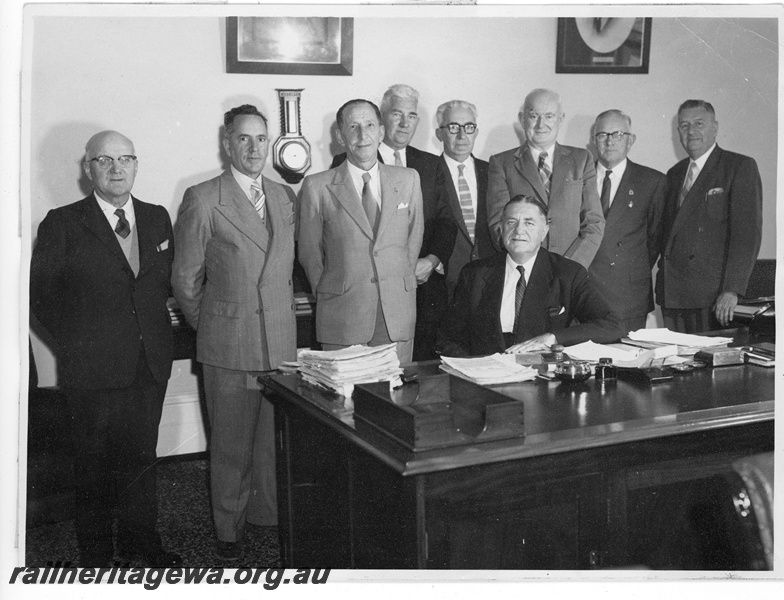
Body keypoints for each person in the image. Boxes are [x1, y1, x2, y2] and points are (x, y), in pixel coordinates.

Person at [30, 130, 181, 567]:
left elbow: (159, 285)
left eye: (125, 159)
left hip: (148, 364)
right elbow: (41, 296)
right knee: (92, 463)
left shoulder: (156, 217)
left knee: (142, 457)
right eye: (105, 160)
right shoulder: (62, 222)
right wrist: (79, 343)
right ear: (88, 169)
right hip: (91, 368)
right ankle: (95, 555)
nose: (117, 168)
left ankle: (141, 543)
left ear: (136, 165)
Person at [171, 105, 297, 560]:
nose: (254, 148)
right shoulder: (204, 198)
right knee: (230, 448)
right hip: (229, 343)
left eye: (261, 139)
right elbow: (186, 279)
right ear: (227, 144)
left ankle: (266, 518)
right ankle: (229, 531)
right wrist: (214, 325)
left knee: (270, 445)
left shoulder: (283, 196)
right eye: (243, 138)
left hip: (279, 343)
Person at [331, 85, 453, 360]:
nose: (405, 123)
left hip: (423, 286)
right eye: (397, 114)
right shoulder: (350, 158)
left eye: (412, 115)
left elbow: (446, 220)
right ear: (382, 121)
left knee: (413, 368)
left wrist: (431, 260)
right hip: (366, 295)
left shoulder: (430, 164)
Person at [298, 99, 424, 363]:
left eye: (369, 126)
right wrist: (332, 292)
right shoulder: (317, 186)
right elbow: (309, 253)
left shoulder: (408, 179)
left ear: (381, 132)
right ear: (340, 137)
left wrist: (398, 282)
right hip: (342, 315)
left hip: (396, 315)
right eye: (353, 126)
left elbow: (414, 239)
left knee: (395, 388)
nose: (362, 135)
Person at [437, 195, 622, 357]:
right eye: (511, 222)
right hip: (486, 375)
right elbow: (448, 338)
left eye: (529, 223)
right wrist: (474, 368)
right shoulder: (474, 273)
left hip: (542, 376)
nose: (519, 231)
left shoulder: (567, 273)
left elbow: (612, 325)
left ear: (544, 231)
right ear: (501, 228)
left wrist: (553, 338)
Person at [656, 100, 763, 333]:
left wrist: (732, 290)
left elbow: (746, 236)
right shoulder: (674, 174)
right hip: (673, 296)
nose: (691, 131)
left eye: (699, 124)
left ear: (715, 128)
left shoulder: (738, 166)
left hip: (713, 298)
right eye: (684, 125)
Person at [486, 88, 605, 269]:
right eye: (534, 116)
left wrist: (569, 269)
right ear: (522, 119)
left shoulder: (582, 159)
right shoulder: (501, 163)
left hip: (571, 270)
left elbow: (594, 223)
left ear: (560, 119)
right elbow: (498, 225)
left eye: (549, 116)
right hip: (524, 270)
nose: (541, 125)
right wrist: (531, 267)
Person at [588, 109, 666, 333]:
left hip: (627, 295)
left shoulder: (652, 182)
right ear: (593, 140)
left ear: (630, 141)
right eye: (602, 135)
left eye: (618, 134)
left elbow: (655, 240)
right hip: (584, 292)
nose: (610, 141)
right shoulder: (579, 177)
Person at [434, 99, 498, 302]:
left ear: (476, 132)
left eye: (469, 127)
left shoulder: (492, 171)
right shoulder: (427, 173)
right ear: (439, 134)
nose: (462, 135)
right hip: (445, 283)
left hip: (490, 278)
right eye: (453, 127)